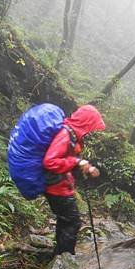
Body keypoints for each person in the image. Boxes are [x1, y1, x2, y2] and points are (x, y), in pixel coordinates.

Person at [43, 104, 105, 255]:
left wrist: (86, 168)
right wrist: (77, 162)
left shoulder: (73, 136)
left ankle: (59, 255)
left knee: (65, 221)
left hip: (61, 185)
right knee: (73, 222)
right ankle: (65, 258)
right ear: (86, 122)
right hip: (56, 187)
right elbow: (49, 162)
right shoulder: (65, 134)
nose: (92, 132)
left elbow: (68, 160)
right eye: (92, 126)